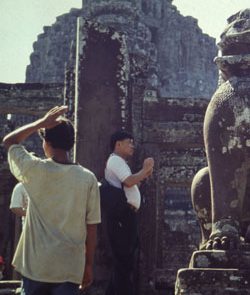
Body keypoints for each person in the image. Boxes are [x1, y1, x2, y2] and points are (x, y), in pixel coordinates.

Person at [2, 106, 100, 295]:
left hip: (35, 265)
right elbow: (92, 226)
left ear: (46, 142)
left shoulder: (33, 170)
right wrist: (88, 266)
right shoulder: (88, 179)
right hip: (69, 267)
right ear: (71, 143)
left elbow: (9, 141)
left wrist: (40, 123)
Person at [105, 130, 154, 295]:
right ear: (118, 144)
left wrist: (143, 174)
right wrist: (144, 169)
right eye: (129, 142)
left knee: (123, 263)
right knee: (124, 263)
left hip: (126, 217)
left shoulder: (120, 162)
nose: (132, 146)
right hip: (122, 217)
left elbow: (131, 185)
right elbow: (129, 181)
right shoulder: (115, 160)